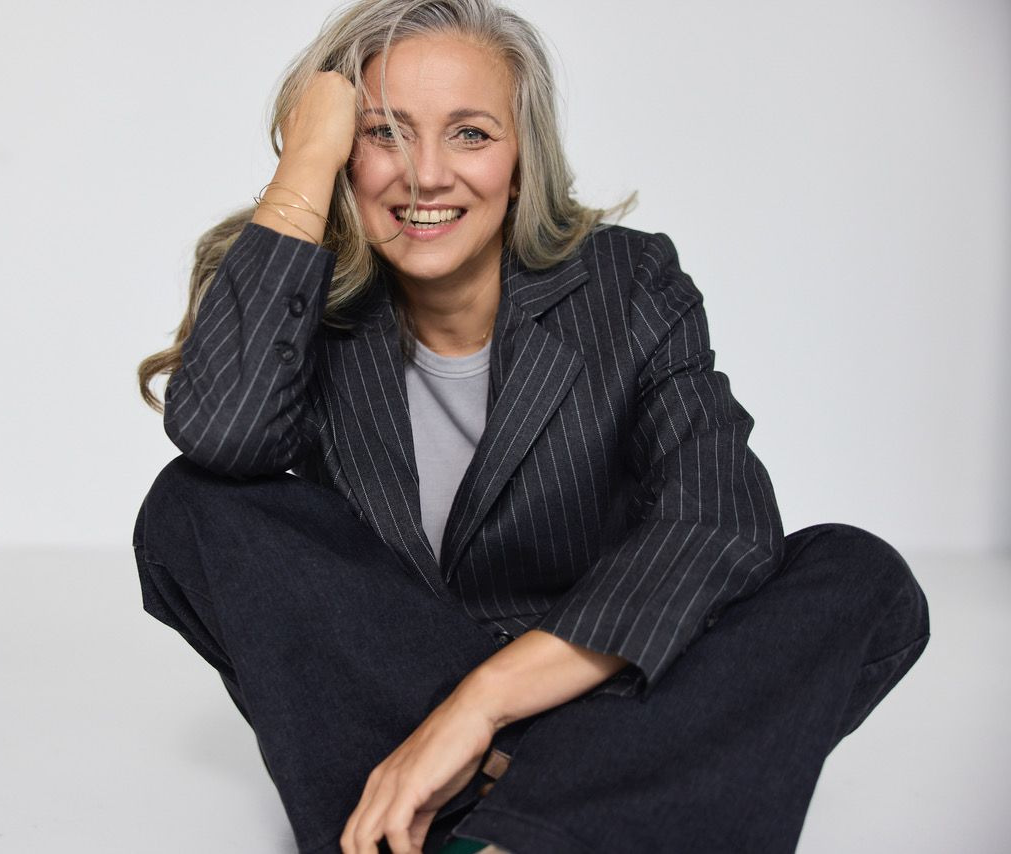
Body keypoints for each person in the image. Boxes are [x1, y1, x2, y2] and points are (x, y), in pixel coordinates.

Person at [131, 1, 930, 852]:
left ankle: (503, 820)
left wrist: (481, 706)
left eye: (470, 134)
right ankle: (578, 809)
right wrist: (305, 165)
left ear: (522, 162)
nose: (425, 175)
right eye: (383, 133)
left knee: (858, 576)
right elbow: (222, 437)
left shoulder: (628, 282)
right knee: (192, 504)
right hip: (407, 691)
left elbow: (717, 517)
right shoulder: (305, 296)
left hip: (587, 678)